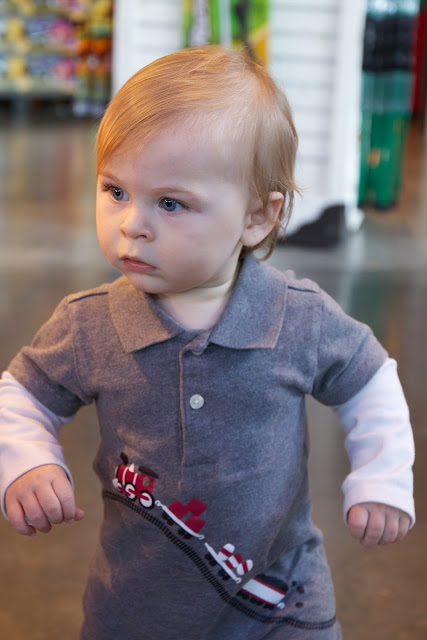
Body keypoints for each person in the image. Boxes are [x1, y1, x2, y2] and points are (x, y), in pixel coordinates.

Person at [0, 46, 414, 640]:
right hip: (137, 610)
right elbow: (22, 394)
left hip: (280, 605)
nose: (132, 224)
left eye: (171, 203)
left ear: (256, 217)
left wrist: (382, 476)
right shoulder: (90, 324)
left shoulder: (296, 317)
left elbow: (370, 378)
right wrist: (28, 460)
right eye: (115, 190)